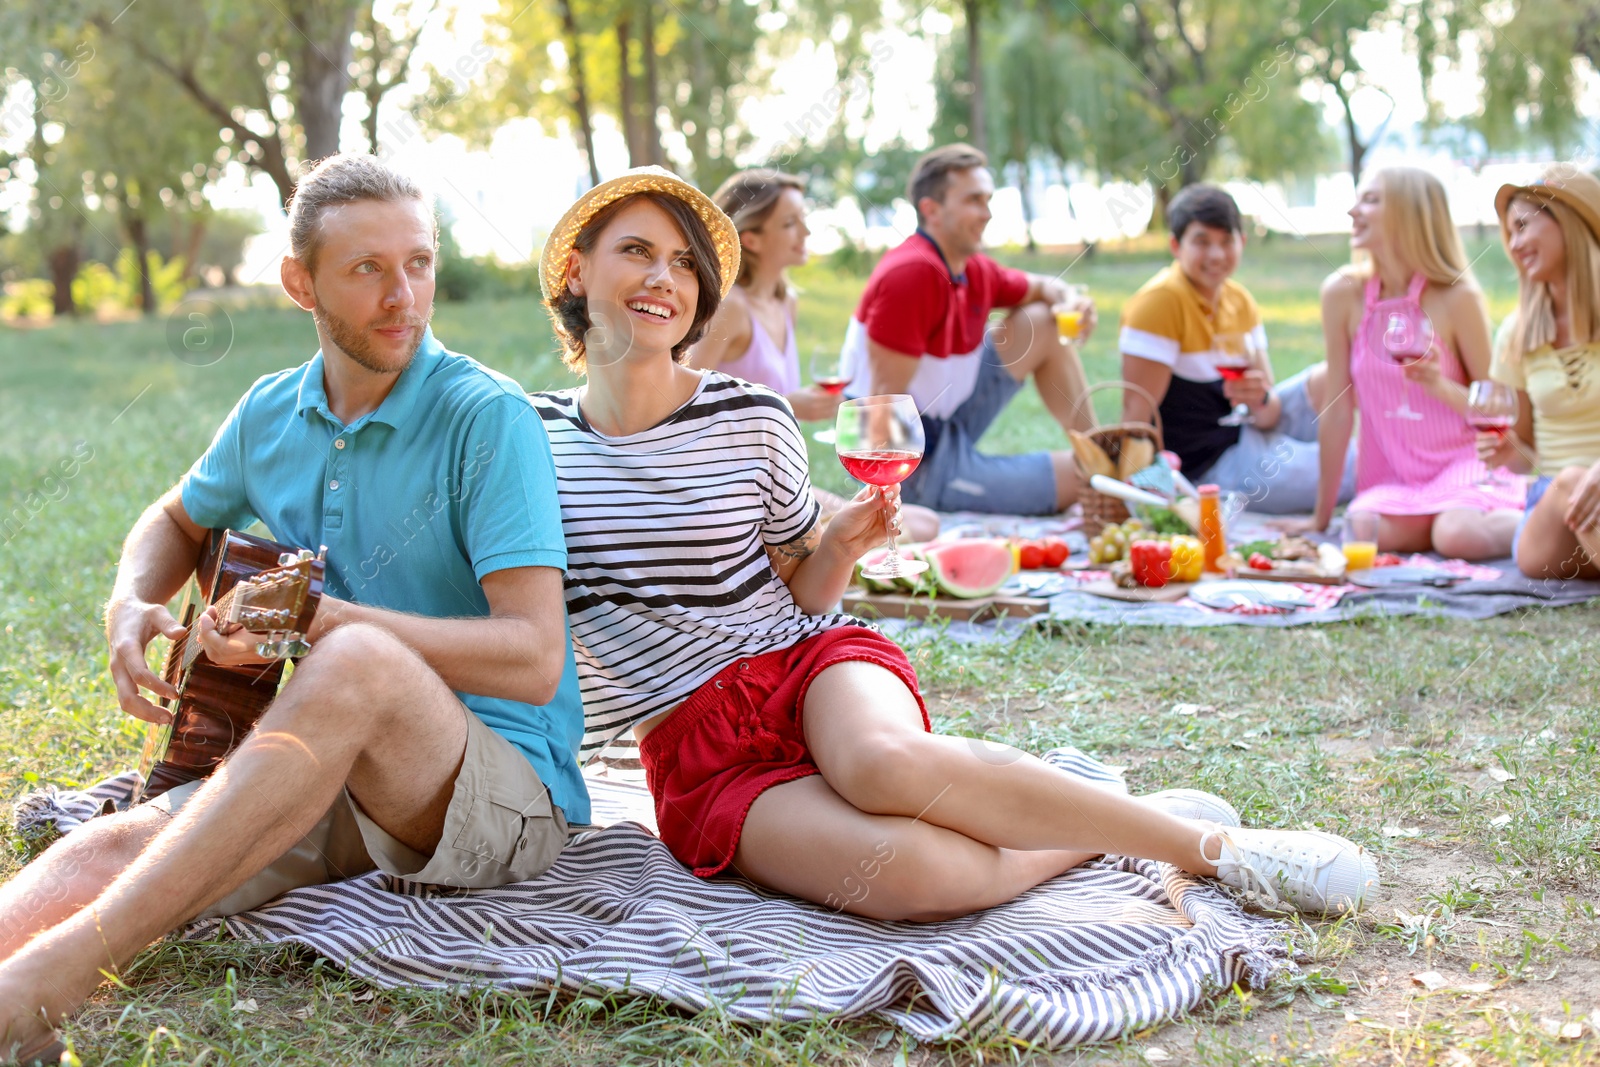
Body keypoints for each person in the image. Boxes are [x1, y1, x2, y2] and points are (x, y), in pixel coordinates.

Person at [530, 165, 1378, 929]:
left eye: (683, 262)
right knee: (917, 877)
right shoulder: (530, 438)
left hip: (807, 665)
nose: (662, 278)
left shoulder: (750, 416)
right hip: (696, 746)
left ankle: (1217, 849)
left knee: (882, 766)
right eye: (635, 251)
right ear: (577, 269)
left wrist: (841, 545)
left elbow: (807, 593)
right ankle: (1104, 813)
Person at [0, 155, 587, 1061]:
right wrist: (128, 603)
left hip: (498, 792)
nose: (405, 296)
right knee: (105, 852)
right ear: (298, 282)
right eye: (367, 269)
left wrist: (329, 623)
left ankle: (57, 978)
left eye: (420, 263)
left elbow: (534, 656)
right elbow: (173, 516)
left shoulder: (487, 419)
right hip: (316, 759)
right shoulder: (270, 409)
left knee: (352, 659)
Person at [839, 144, 1098, 516]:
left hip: (950, 417)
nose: (988, 213)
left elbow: (1045, 288)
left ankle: (1099, 447)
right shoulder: (910, 275)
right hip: (913, 458)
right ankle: (1101, 468)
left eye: (988, 200)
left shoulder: (974, 269)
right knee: (1083, 477)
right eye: (974, 200)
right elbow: (882, 406)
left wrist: (1070, 300)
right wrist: (885, 507)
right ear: (931, 210)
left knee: (1044, 318)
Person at [689, 168, 938, 541]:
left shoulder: (784, 302)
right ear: (752, 239)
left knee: (922, 522)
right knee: (906, 528)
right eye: (791, 224)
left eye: (803, 220)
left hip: (780, 481)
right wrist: (789, 404)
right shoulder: (731, 309)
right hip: (733, 488)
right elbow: (683, 406)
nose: (806, 232)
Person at [1287, 166, 1523, 557]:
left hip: (1463, 465)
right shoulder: (1342, 294)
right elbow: (1338, 410)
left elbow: (1496, 411)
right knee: (1361, 532)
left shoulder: (1457, 297)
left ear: (1411, 213)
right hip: (1393, 478)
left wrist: (1438, 385)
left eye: (1371, 200)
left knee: (1456, 536)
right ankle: (1442, 519)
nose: (1353, 211)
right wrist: (1320, 518)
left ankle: (1542, 523)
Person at [1119, 184, 1355, 513]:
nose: (1216, 255)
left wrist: (1257, 397)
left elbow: (1268, 412)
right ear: (1176, 245)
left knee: (1337, 376)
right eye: (1202, 242)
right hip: (1210, 464)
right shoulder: (1161, 302)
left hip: (1248, 429)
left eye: (1226, 241)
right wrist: (1136, 500)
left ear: (1241, 243)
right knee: (1358, 465)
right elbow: (1135, 416)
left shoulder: (1239, 300)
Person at [1485, 165, 1600, 579]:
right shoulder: (1517, 332)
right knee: (1571, 479)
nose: (1514, 245)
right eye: (1509, 233)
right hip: (1553, 520)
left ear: (1567, 223)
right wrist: (1507, 452)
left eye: (1522, 226)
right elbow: (1527, 447)